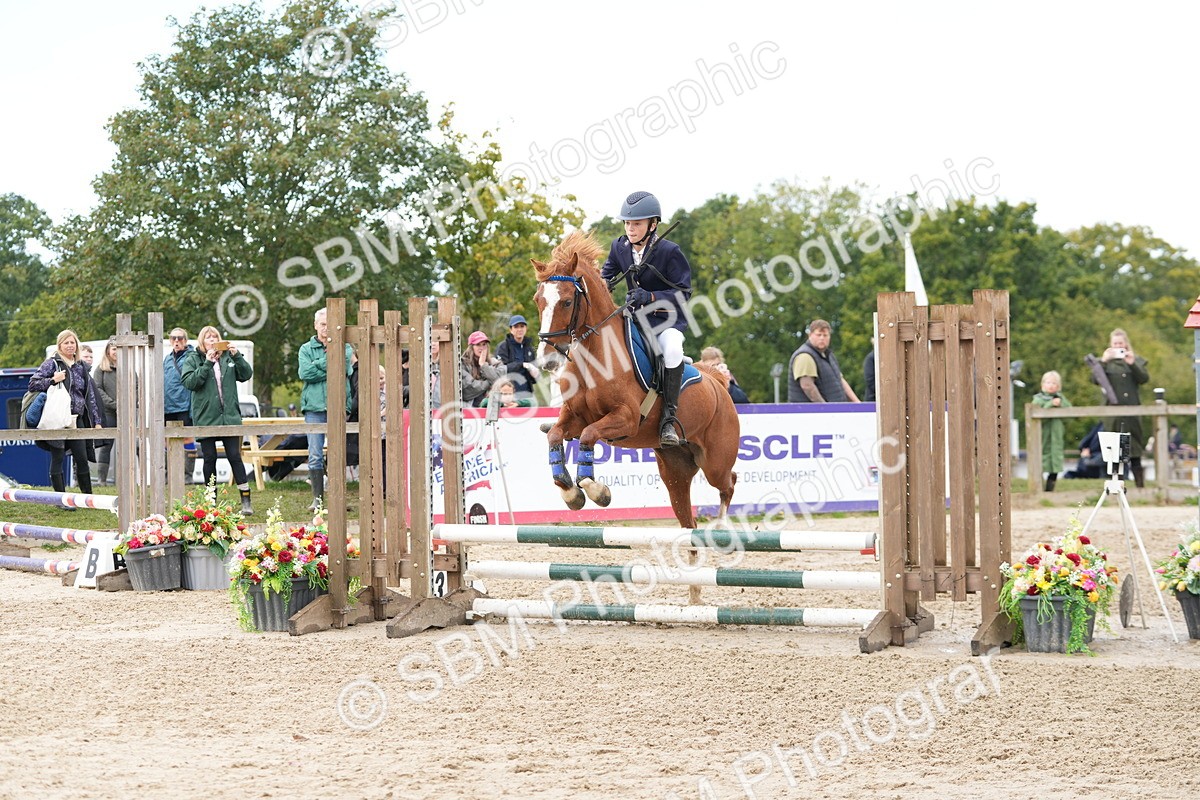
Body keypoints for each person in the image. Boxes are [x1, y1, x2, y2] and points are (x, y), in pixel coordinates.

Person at [599, 191, 693, 446]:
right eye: (627, 223)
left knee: (672, 350)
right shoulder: (619, 247)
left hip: (666, 321)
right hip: (635, 320)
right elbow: (605, 276)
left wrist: (650, 297)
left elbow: (684, 293)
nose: (630, 229)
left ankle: (668, 420)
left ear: (652, 225)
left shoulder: (670, 251)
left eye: (637, 224)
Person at [181, 326, 254, 515]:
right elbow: (190, 383)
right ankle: (210, 501)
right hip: (206, 417)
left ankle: (246, 500)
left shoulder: (228, 357)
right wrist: (207, 363)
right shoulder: (193, 359)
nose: (212, 340)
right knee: (210, 458)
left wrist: (237, 356)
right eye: (208, 337)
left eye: (215, 337)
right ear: (202, 341)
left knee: (234, 456)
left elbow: (246, 374)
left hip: (229, 417)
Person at [28, 330, 103, 498]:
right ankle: (60, 499)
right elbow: (32, 384)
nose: (70, 345)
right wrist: (53, 380)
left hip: (77, 418)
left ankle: (88, 498)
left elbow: (90, 396)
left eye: (72, 342)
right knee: (58, 457)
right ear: (60, 345)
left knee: (82, 458)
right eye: (66, 343)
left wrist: (96, 420)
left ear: (76, 345)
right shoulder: (52, 363)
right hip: (57, 418)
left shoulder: (81, 366)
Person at [299, 308, 354, 509]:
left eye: (330, 325)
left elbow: (344, 367)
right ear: (315, 325)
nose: (326, 328)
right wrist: (331, 363)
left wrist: (318, 364)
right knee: (314, 454)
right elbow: (305, 373)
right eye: (323, 324)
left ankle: (338, 498)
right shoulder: (305, 349)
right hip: (313, 408)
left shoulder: (345, 347)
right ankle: (317, 500)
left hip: (338, 406)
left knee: (337, 453)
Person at [1091, 328, 1149, 487]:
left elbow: (1144, 379)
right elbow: (1095, 379)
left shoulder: (1135, 360)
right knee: (1115, 450)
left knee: (1135, 448)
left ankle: (1140, 487)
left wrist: (1132, 364)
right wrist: (1103, 361)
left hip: (1132, 411)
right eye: (1115, 343)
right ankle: (1118, 486)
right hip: (1113, 412)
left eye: (1120, 343)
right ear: (1110, 345)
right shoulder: (1104, 363)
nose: (1118, 346)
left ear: (1126, 344)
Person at [787, 320, 861, 403]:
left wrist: (858, 403)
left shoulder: (828, 355)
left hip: (834, 408)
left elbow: (840, 380)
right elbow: (807, 386)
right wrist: (825, 407)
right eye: (818, 335)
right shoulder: (805, 356)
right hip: (811, 410)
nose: (822, 338)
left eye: (825, 335)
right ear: (810, 335)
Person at [164, 328, 198, 482]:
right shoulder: (167, 359)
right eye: (173, 338)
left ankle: (187, 477)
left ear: (186, 340)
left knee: (187, 438)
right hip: (167, 406)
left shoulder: (192, 357)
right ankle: (168, 476)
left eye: (180, 338)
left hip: (185, 404)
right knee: (167, 440)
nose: (176, 341)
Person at [1031, 370, 1071, 491]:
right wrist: (1050, 404)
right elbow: (1035, 415)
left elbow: (1070, 411)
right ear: (1043, 384)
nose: (1051, 385)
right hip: (1042, 436)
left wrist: (1061, 403)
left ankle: (1050, 490)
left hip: (1056, 437)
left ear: (1058, 386)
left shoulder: (1061, 398)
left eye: (1054, 383)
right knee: (1040, 460)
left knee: (1056, 462)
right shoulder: (1038, 399)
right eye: (1048, 382)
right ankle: (1038, 488)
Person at [92, 339, 119, 486]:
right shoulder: (100, 370)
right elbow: (98, 390)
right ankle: (102, 480)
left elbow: (136, 387)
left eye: (119, 348)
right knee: (106, 446)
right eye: (114, 348)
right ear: (108, 351)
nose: (116, 351)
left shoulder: (128, 368)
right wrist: (114, 404)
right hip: (108, 412)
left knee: (132, 445)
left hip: (127, 413)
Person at [495, 315, 540, 399]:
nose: (519, 329)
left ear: (526, 328)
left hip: (527, 394)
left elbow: (534, 377)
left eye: (522, 326)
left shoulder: (529, 348)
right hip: (507, 395)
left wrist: (535, 375)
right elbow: (499, 370)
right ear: (511, 329)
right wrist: (522, 364)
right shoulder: (503, 347)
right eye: (516, 327)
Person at [461, 330, 505, 406]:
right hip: (469, 408)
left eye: (484, 344)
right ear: (471, 347)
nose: (481, 348)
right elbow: (468, 391)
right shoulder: (462, 364)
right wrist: (491, 381)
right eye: (478, 344)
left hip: (491, 407)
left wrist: (483, 365)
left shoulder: (496, 363)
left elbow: (501, 385)